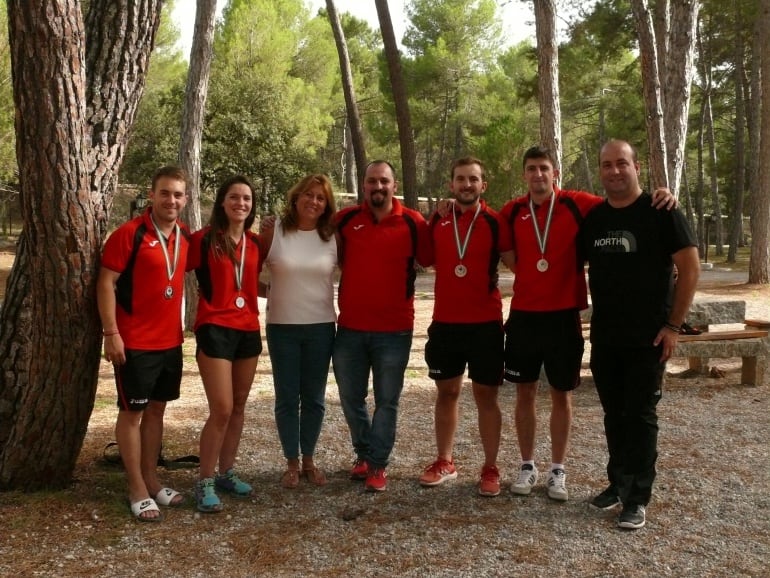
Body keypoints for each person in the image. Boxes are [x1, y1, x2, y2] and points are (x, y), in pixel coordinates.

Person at [498, 145, 675, 502]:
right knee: (525, 393)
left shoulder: (580, 204)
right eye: (531, 169)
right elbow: (509, 257)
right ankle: (528, 464)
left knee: (562, 394)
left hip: (564, 317)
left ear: (555, 173)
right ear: (524, 174)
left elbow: (623, 198)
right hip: (524, 317)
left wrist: (662, 193)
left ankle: (558, 470)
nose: (538, 175)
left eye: (544, 168)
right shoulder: (512, 211)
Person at [580, 139, 699, 529]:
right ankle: (618, 483)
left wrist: (673, 327)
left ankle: (638, 497)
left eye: (621, 164)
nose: (614, 171)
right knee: (614, 414)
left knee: (641, 415)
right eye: (606, 165)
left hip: (648, 338)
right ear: (600, 171)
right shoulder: (595, 219)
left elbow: (690, 269)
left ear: (636, 167)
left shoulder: (662, 212)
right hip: (606, 337)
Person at [97, 166, 190, 522]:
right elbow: (106, 282)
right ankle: (135, 486)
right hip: (134, 343)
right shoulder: (129, 234)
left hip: (170, 343)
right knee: (132, 413)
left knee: (156, 411)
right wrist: (111, 332)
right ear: (151, 195)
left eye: (178, 194)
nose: (171, 200)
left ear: (186, 199)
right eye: (165, 193)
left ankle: (152, 479)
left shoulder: (184, 235)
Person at [333, 160, 431, 492]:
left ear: (394, 184)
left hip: (395, 330)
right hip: (349, 329)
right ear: (364, 185)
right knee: (350, 397)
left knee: (387, 400)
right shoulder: (345, 220)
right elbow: (311, 237)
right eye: (372, 181)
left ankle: (377, 465)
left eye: (384, 182)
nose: (378, 187)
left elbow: (434, 257)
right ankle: (363, 453)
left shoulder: (414, 222)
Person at [419, 157, 511, 497]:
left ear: (483, 185)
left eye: (473, 179)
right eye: (460, 179)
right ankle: (445, 461)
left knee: (486, 397)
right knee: (447, 394)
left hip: (485, 324)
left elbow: (519, 262)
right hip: (445, 323)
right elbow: (425, 259)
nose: (467, 184)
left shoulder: (496, 221)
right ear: (451, 185)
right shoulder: (439, 220)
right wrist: (432, 217)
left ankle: (490, 467)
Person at [187, 175, 262, 513]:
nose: (241, 204)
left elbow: (257, 284)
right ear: (222, 201)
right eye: (234, 197)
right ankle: (204, 481)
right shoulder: (202, 240)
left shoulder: (256, 243)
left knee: (240, 406)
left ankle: (226, 472)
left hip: (248, 329)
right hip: (215, 328)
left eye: (246, 199)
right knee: (222, 408)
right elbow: (168, 269)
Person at [260, 174, 337, 489]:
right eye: (308, 194)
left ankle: (309, 460)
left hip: (321, 327)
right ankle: (291, 462)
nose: (314, 201)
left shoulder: (332, 236)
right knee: (287, 398)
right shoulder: (274, 230)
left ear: (326, 205)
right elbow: (250, 274)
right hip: (282, 327)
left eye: (320, 197)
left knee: (315, 399)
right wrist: (278, 294)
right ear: (296, 198)